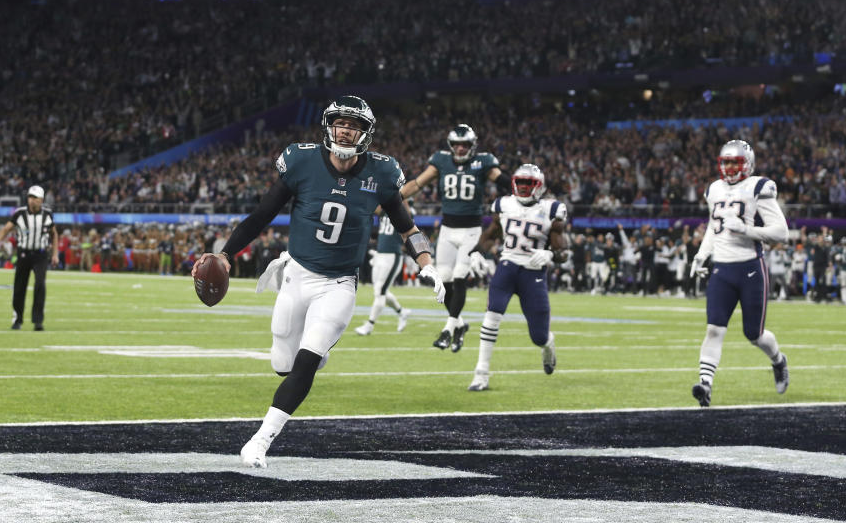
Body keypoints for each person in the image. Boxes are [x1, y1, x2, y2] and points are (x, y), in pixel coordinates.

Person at [191, 95, 445, 468]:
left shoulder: (383, 174)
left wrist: (427, 263)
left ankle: (260, 441)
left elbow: (408, 229)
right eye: (341, 122)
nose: (346, 129)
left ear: (366, 133)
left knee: (306, 363)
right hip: (296, 274)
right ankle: (317, 349)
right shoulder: (301, 161)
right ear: (329, 126)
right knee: (283, 362)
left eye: (355, 125)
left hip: (338, 284)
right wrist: (227, 254)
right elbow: (261, 215)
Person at [688, 140, 789, 407]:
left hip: (749, 268)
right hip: (722, 268)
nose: (730, 168)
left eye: (736, 162)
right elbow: (713, 227)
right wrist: (701, 254)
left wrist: (748, 231)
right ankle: (705, 385)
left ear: (748, 164)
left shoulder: (758, 186)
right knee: (714, 329)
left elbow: (782, 233)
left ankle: (778, 360)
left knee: (754, 334)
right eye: (726, 162)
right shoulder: (713, 189)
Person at [400, 124, 511, 352]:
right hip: (448, 230)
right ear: (451, 146)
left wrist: (523, 193)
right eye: (457, 145)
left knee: (460, 276)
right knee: (445, 280)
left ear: (473, 146)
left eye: (465, 145)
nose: (460, 149)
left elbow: (503, 181)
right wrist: (395, 197)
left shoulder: (483, 162)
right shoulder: (441, 161)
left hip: (472, 230)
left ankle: (448, 329)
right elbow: (418, 183)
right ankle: (459, 324)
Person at [465, 163, 567, 391]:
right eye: (519, 182)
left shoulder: (553, 210)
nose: (522, 187)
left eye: (528, 183)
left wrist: (550, 253)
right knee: (492, 314)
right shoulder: (504, 205)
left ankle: (548, 344)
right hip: (508, 266)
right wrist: (475, 252)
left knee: (538, 336)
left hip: (533, 274)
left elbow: (564, 252)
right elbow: (491, 234)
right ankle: (481, 373)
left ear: (538, 186)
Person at [0, 185, 58, 330]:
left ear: (41, 200)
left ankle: (38, 321)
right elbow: (6, 228)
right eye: (30, 197)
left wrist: (55, 253)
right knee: (19, 287)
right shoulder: (20, 213)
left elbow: (54, 233)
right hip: (23, 254)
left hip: (40, 254)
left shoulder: (47, 214)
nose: (31, 200)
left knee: (40, 285)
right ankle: (18, 319)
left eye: (35, 198)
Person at [355, 210, 412, 336]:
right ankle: (401, 312)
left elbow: (407, 212)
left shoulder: (405, 211)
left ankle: (369, 325)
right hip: (380, 254)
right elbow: (375, 205)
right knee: (379, 290)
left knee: (380, 291)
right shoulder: (385, 208)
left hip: (393, 255)